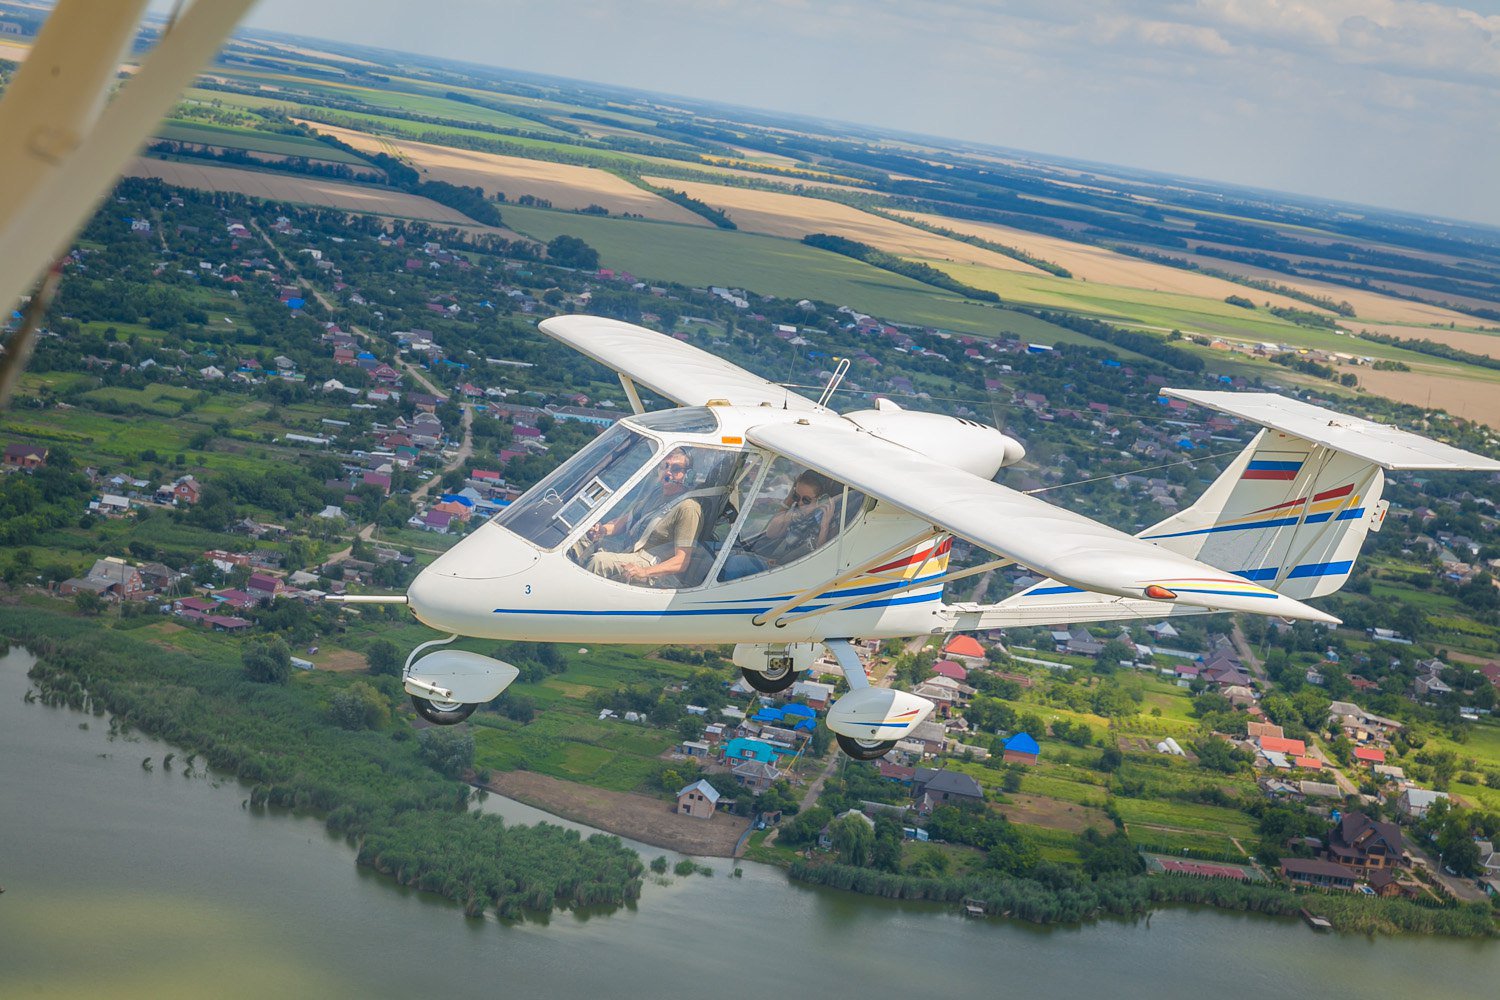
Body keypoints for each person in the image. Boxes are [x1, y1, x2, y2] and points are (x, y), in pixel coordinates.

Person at [583, 449, 704, 585]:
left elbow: (681, 561)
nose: (668, 472)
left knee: (599, 561)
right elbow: (626, 521)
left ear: (688, 475)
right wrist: (602, 530)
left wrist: (645, 571)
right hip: (632, 551)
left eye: (675, 469)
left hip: (652, 565)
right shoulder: (657, 493)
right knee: (582, 540)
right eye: (664, 466)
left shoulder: (688, 508)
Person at [721, 470, 836, 580]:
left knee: (737, 563)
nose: (800, 503)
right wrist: (789, 501)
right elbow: (771, 533)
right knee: (721, 555)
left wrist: (824, 527)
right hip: (779, 565)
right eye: (797, 497)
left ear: (822, 499)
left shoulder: (827, 522)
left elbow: (820, 560)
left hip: (794, 574)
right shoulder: (797, 514)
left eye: (806, 500)